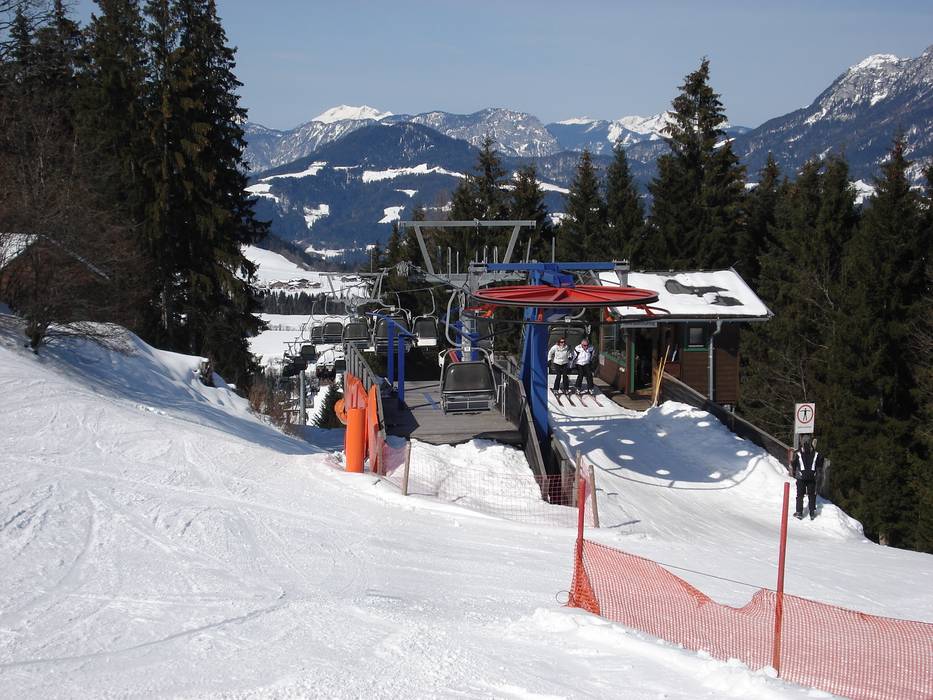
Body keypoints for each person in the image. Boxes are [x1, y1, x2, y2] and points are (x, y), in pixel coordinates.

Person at [792, 437, 824, 520]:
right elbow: (820, 464)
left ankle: (799, 512)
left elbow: (793, 463)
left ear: (801, 442)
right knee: (811, 495)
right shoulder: (816, 453)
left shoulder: (797, 453)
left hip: (800, 477)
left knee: (800, 495)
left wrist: (794, 472)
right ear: (811, 442)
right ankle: (812, 512)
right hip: (812, 477)